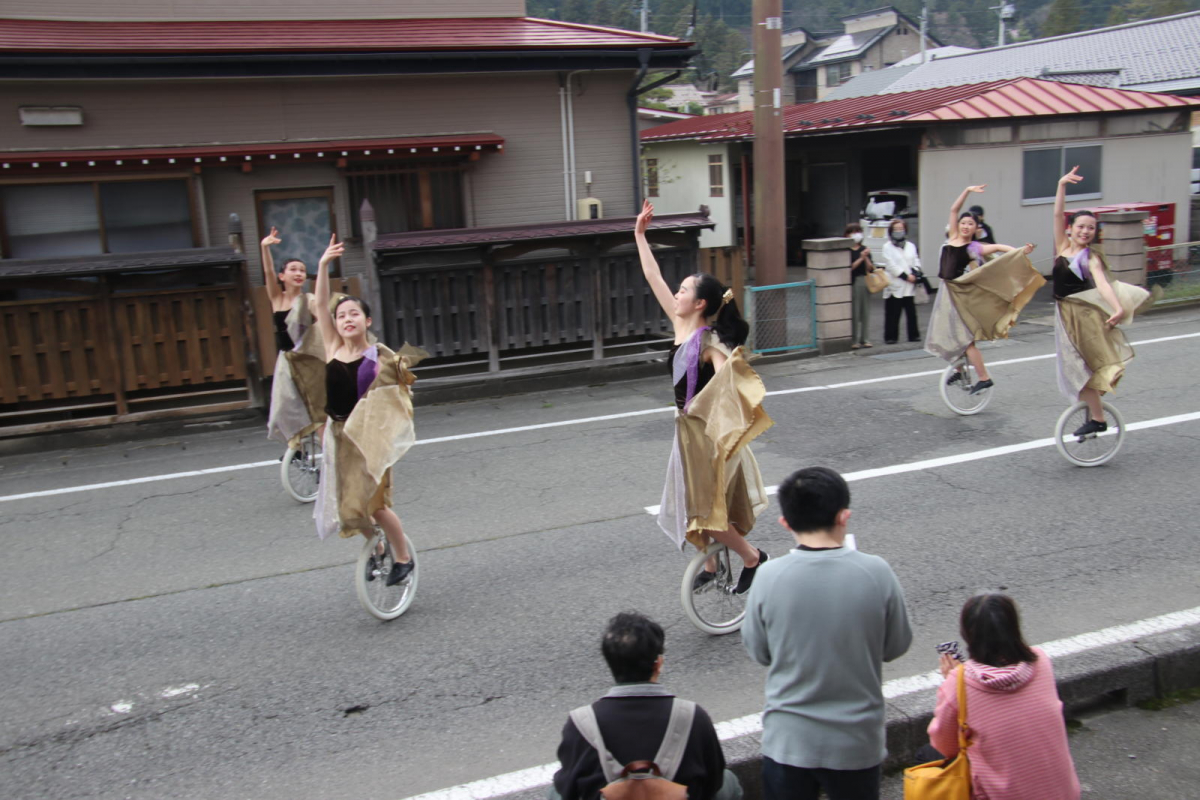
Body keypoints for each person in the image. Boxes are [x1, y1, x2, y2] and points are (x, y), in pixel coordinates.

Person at [742, 466, 912, 800]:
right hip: (856, 742)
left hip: (788, 741)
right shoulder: (876, 572)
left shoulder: (768, 577)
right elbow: (896, 645)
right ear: (844, 516)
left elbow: (759, 652)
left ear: (785, 523)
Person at [635, 200, 771, 595]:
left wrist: (730, 368)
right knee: (692, 505)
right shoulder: (681, 325)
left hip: (708, 438)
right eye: (677, 290)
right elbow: (652, 275)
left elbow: (735, 373)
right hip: (687, 433)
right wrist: (640, 236)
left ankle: (752, 557)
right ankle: (711, 566)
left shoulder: (708, 341)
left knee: (708, 513)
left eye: (683, 291)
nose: (675, 294)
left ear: (700, 304)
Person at [311, 234, 419, 586]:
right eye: (341, 315)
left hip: (370, 440)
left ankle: (403, 557)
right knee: (350, 510)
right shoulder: (331, 347)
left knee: (374, 505)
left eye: (354, 313)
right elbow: (320, 303)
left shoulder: (379, 357)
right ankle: (377, 549)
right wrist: (324, 265)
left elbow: (401, 393)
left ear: (366, 321)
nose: (346, 319)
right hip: (340, 436)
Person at [551, 612, 742, 800]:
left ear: (611, 664)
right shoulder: (693, 717)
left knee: (554, 792)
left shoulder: (580, 724)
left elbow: (568, 788)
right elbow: (713, 781)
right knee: (728, 780)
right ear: (658, 664)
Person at [926, 594, 1081, 800]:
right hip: (1064, 794)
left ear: (967, 633)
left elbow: (944, 746)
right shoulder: (1041, 661)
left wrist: (951, 682)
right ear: (1014, 627)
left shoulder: (959, 683)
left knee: (928, 756)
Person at [1051, 167, 1150, 435]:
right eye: (1081, 226)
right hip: (1064, 315)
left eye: (1091, 228)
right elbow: (1058, 213)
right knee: (1075, 368)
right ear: (1070, 229)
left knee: (1079, 370)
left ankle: (1098, 418)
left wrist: (1118, 307)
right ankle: (1093, 412)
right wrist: (1061, 185)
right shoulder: (1061, 246)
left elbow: (1103, 284)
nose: (1085, 231)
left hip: (1082, 318)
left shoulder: (1090, 257)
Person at [931, 186, 1037, 395]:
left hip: (957, 294)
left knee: (964, 339)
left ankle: (984, 378)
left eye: (970, 224)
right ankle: (961, 370)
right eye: (963, 222)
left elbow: (998, 248)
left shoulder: (974, 248)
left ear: (976, 228)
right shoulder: (952, 237)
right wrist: (966, 191)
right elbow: (954, 209)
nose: (965, 226)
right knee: (945, 336)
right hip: (945, 292)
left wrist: (1021, 251)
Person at [262, 227, 327, 449]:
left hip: (308, 361)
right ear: (282, 276)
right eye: (293, 269)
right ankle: (296, 448)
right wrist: (264, 248)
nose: (299, 273)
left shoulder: (308, 300)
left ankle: (329, 454)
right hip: (286, 360)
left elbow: (325, 322)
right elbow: (268, 272)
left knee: (316, 406)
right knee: (284, 406)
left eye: (302, 270)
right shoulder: (277, 299)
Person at [880, 219, 921, 344]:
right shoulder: (887, 247)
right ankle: (891, 336)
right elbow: (890, 265)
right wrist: (905, 276)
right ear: (891, 231)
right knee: (893, 312)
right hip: (895, 283)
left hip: (909, 284)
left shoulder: (911, 246)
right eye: (896, 229)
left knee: (911, 312)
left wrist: (915, 273)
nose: (899, 231)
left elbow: (916, 260)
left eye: (901, 228)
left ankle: (913, 335)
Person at [845, 223, 875, 349]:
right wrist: (861, 258)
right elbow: (849, 267)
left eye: (858, 231)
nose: (856, 234)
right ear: (847, 234)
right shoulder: (846, 250)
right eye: (853, 232)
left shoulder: (864, 248)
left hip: (864, 280)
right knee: (855, 312)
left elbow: (871, 268)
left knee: (865, 311)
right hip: (853, 281)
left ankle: (865, 338)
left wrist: (866, 257)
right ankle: (854, 340)